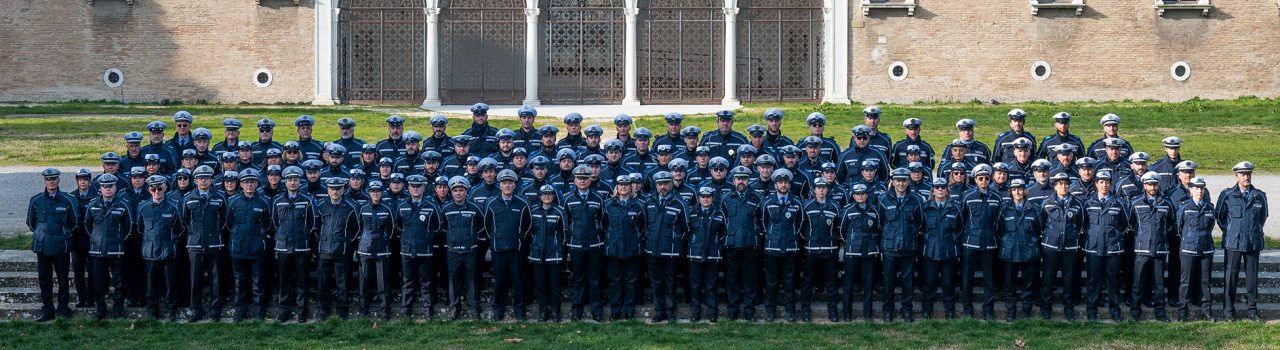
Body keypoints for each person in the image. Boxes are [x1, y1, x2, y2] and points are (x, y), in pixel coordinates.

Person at [1216, 161, 1268, 321]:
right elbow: (1220, 217)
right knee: (1230, 277)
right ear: (1236, 176)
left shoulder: (1260, 196)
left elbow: (1262, 217)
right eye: (1243, 174)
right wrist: (1232, 231)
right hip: (1233, 243)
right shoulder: (1227, 195)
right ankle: (1228, 311)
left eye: (1248, 174)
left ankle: (1252, 310)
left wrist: (1252, 231)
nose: (1246, 177)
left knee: (1252, 278)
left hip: (1253, 242)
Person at [27, 168, 79, 322]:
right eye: (48, 179)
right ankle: (47, 309)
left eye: (54, 179)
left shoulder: (67, 200)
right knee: (44, 280)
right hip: (42, 247)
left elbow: (74, 223)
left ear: (58, 181)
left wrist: (62, 235)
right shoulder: (36, 201)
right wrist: (42, 235)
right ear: (45, 181)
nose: (51, 182)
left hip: (60, 247)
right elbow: (31, 223)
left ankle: (63, 308)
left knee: (63, 279)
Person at [484, 169, 533, 321]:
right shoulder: (491, 203)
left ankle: (520, 310)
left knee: (518, 280)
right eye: (504, 183)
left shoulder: (523, 203)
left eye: (510, 183)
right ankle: (498, 310)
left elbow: (529, 225)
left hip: (517, 249)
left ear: (514, 185)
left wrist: (519, 239)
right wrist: (495, 240)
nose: (507, 185)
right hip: (498, 249)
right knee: (500, 281)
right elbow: (487, 226)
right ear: (500, 185)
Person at [181, 165, 228, 322]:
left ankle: (215, 311)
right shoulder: (188, 198)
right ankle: (196, 310)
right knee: (196, 281)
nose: (204, 180)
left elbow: (224, 219)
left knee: (216, 280)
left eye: (207, 178)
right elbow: (185, 220)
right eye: (201, 178)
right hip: (195, 245)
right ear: (195, 180)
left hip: (214, 244)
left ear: (211, 180)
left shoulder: (219, 197)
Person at [878, 168, 924, 322]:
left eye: (904, 180)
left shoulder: (916, 199)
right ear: (892, 181)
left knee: (908, 283)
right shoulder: (883, 199)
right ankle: (888, 311)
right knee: (888, 283)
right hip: (890, 248)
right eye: (898, 180)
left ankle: (906, 311)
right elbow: (880, 222)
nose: (901, 183)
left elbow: (919, 222)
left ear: (908, 181)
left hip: (909, 247)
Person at [1082, 170, 1128, 321]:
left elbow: (1125, 224)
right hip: (1093, 247)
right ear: (1096, 184)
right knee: (1093, 280)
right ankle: (1091, 310)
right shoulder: (1087, 202)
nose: (1104, 185)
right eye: (1101, 182)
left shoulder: (1119, 203)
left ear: (1110, 184)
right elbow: (1083, 223)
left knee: (1113, 280)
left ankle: (1114, 310)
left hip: (1113, 248)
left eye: (1107, 182)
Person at [272, 166, 317, 322]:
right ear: (285, 182)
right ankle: (284, 310)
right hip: (283, 247)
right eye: (289, 180)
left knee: (302, 280)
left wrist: (303, 234)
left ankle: (301, 311)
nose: (292, 183)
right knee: (284, 280)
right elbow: (273, 222)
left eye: (295, 180)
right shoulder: (277, 201)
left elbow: (313, 223)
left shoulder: (307, 200)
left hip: (301, 246)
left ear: (300, 182)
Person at [226, 169, 271, 321]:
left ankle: (259, 311)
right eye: (246, 182)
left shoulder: (264, 202)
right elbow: (228, 223)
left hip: (257, 248)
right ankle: (240, 311)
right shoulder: (233, 202)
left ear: (257, 183)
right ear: (241, 184)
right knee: (240, 282)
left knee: (258, 282)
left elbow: (268, 223)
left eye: (252, 182)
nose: (249, 185)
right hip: (238, 248)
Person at [563, 165, 607, 321]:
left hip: (595, 245)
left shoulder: (599, 198)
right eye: (579, 178)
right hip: (576, 246)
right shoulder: (567, 198)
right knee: (578, 279)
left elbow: (603, 220)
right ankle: (577, 310)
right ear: (574, 180)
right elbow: (565, 222)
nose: (582, 181)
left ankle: (596, 310)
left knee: (595, 278)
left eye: (585, 178)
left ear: (590, 180)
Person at [1129, 172, 1175, 322]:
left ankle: (1160, 312)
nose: (1152, 187)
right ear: (1144, 185)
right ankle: (1135, 310)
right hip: (1142, 247)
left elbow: (1170, 224)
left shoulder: (1166, 204)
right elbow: (1131, 223)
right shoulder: (1136, 203)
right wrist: (1142, 235)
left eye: (1155, 184)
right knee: (1138, 281)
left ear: (1158, 185)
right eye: (1149, 184)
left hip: (1160, 247)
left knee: (1159, 283)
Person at [1039, 172, 1085, 320]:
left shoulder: (1077, 204)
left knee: (1069, 279)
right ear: (1055, 186)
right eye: (1060, 184)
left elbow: (1081, 224)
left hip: (1070, 247)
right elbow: (1041, 223)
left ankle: (1069, 308)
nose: (1063, 186)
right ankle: (1046, 308)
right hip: (1051, 247)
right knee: (1048, 278)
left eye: (1066, 184)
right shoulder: (1046, 203)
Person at [645, 171, 689, 323]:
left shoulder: (680, 203)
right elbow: (644, 225)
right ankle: (659, 311)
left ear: (671, 184)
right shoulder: (649, 202)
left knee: (670, 282)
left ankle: (670, 311)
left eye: (665, 183)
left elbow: (686, 229)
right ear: (656, 186)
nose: (663, 187)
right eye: (660, 184)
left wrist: (676, 243)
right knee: (656, 283)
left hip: (671, 250)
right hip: (653, 250)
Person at [721, 164, 764, 321]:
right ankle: (732, 308)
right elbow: (722, 220)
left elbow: (762, 220)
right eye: (738, 179)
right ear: (733, 180)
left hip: (750, 244)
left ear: (748, 180)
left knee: (750, 279)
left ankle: (749, 309)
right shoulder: (725, 199)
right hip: (731, 244)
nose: (741, 182)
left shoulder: (757, 198)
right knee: (732, 278)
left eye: (744, 179)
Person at [137, 175, 182, 320]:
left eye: (159, 188)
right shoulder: (142, 208)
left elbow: (180, 228)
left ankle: (171, 310)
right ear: (149, 190)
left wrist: (171, 242)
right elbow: (139, 228)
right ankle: (152, 310)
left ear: (165, 188)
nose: (157, 192)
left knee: (170, 283)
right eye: (153, 189)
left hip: (168, 250)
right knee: (151, 283)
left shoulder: (173, 207)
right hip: (149, 251)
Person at [315, 177, 360, 320]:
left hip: (342, 251)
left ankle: (342, 310)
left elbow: (356, 229)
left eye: (338, 189)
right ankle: (324, 310)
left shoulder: (351, 207)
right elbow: (316, 228)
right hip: (324, 251)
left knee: (343, 283)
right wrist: (322, 242)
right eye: (332, 189)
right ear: (327, 190)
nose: (335, 191)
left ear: (343, 190)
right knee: (323, 283)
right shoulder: (320, 206)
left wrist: (346, 242)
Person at [397, 175, 442, 320]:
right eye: (412, 186)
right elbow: (397, 226)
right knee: (408, 281)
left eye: (418, 186)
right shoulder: (402, 206)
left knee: (426, 282)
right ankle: (406, 309)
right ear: (408, 188)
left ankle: (428, 309)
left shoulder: (432, 206)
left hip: (425, 251)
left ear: (424, 188)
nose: (415, 189)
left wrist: (427, 238)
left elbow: (438, 226)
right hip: (407, 250)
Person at [442, 176, 485, 320]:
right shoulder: (446, 209)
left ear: (466, 192)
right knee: (453, 280)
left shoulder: (475, 208)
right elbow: (442, 228)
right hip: (453, 251)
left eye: (461, 190)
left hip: (470, 251)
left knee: (472, 280)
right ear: (451, 192)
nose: (458, 193)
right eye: (455, 190)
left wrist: (472, 239)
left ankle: (474, 308)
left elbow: (482, 226)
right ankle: (455, 308)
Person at [997, 179, 1041, 321]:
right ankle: (1011, 311)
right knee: (1009, 285)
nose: (1017, 192)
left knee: (1028, 284)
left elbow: (1038, 229)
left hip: (1028, 252)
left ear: (1025, 191)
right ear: (1010, 192)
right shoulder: (1004, 209)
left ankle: (1026, 312)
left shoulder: (1033, 209)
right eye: (1014, 189)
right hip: (1009, 252)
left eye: (1020, 189)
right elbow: (999, 229)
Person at [603, 175, 646, 321]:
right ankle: (615, 311)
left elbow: (643, 225)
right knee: (615, 281)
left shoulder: (639, 204)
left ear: (631, 187)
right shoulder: (608, 204)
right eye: (620, 185)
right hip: (614, 249)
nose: (623, 187)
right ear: (616, 187)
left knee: (631, 281)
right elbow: (604, 225)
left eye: (626, 184)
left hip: (632, 248)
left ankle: (629, 310)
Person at [800, 177, 842, 322]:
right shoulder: (806, 206)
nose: (821, 190)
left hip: (830, 250)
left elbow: (839, 228)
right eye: (819, 187)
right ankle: (805, 310)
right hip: (811, 250)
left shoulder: (835, 206)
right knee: (808, 281)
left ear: (827, 189)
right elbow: (801, 228)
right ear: (814, 190)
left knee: (831, 282)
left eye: (824, 187)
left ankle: (833, 311)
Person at [921, 177, 962, 320]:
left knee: (948, 283)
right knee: (929, 283)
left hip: (949, 250)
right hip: (931, 251)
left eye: (943, 188)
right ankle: (927, 311)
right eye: (937, 188)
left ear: (947, 190)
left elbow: (960, 228)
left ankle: (949, 312)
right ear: (932, 190)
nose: (940, 190)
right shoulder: (925, 208)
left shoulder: (955, 208)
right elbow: (921, 227)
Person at [1177, 177, 1216, 322]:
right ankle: (1183, 311)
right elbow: (1178, 227)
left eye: (1201, 188)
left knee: (1205, 281)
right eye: (1196, 188)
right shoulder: (1184, 207)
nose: (1199, 191)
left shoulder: (1210, 208)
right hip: (1188, 248)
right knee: (1185, 281)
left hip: (1206, 248)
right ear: (1190, 189)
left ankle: (1206, 311)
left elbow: (1211, 226)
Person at [840, 183, 880, 321]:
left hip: (869, 252)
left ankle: (867, 314)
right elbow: (842, 231)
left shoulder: (874, 211)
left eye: (863, 193)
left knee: (868, 284)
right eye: (857, 194)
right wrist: (852, 243)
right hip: (852, 252)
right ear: (853, 195)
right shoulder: (847, 210)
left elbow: (877, 230)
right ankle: (847, 314)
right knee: (849, 284)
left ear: (867, 195)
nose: (860, 196)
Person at [356, 180, 396, 320]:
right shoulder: (362, 208)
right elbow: (358, 228)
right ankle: (363, 311)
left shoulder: (388, 209)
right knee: (364, 283)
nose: (375, 194)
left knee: (383, 283)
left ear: (382, 193)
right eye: (373, 191)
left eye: (378, 191)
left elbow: (391, 230)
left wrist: (384, 241)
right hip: (365, 250)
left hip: (382, 250)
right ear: (369, 193)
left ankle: (385, 311)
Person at [528, 185, 567, 322]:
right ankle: (543, 311)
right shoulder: (533, 211)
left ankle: (556, 311)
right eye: (544, 194)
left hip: (554, 254)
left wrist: (559, 249)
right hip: (537, 253)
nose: (547, 196)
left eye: (549, 194)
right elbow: (529, 231)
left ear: (554, 196)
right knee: (540, 285)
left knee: (555, 285)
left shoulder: (559, 211)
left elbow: (564, 233)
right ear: (539, 196)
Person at [687, 186, 726, 322]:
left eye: (708, 196)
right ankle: (695, 312)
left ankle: (712, 312)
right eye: (703, 196)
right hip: (695, 254)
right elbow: (687, 232)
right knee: (696, 285)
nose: (705, 199)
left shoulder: (719, 213)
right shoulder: (691, 212)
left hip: (713, 254)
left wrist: (716, 245)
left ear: (712, 198)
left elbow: (723, 233)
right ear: (698, 198)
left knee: (711, 285)